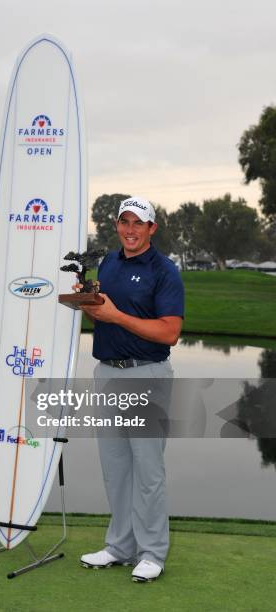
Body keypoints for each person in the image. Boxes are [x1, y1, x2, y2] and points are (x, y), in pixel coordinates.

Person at [79, 196, 184, 582]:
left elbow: (170, 332)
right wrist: (92, 308)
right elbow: (103, 314)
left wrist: (113, 315)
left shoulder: (164, 270)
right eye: (124, 222)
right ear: (117, 225)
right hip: (107, 373)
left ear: (152, 228)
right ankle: (120, 547)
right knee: (116, 469)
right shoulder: (107, 262)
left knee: (148, 471)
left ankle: (152, 552)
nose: (130, 229)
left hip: (147, 376)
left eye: (138, 223)